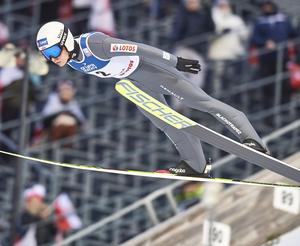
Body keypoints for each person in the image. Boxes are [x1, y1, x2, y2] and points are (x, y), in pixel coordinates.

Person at [36, 21, 269, 178]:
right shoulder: (72, 61)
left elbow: (138, 49)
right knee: (165, 121)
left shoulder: (95, 45)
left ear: (65, 40)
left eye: (55, 52)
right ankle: (196, 165)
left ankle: (251, 138)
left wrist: (174, 61)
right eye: (48, 56)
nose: (53, 59)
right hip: (134, 82)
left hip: (151, 69)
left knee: (199, 102)